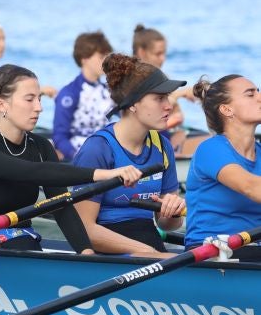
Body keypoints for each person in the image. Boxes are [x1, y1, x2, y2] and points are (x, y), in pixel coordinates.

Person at [0, 64, 142, 252]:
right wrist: (105, 174)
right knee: (23, 246)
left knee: (28, 244)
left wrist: (86, 251)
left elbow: (61, 205)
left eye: (39, 99)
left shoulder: (41, 147)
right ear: (1, 104)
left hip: (22, 240)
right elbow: (31, 172)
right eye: (30, 99)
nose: (39, 108)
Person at [72, 53, 186, 257]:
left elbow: (167, 225)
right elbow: (83, 230)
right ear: (133, 104)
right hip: (108, 252)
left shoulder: (162, 146)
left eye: (167, 97)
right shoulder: (98, 149)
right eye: (159, 98)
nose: (168, 105)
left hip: (149, 243)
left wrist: (173, 212)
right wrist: (146, 251)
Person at [185, 75, 261, 252]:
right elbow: (251, 187)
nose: (259, 97)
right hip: (211, 252)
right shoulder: (210, 149)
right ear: (227, 110)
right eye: (250, 95)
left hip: (252, 249)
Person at [132, 24, 205, 154]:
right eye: (158, 54)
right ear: (141, 52)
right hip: (148, 142)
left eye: (164, 53)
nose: (163, 59)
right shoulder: (133, 79)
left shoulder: (162, 77)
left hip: (166, 137)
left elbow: (178, 116)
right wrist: (181, 93)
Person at [52, 31, 114, 160]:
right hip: (80, 154)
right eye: (101, 56)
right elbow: (59, 136)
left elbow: (127, 117)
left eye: (107, 56)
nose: (106, 61)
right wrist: (77, 157)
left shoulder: (108, 92)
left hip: (106, 152)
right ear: (84, 58)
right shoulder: (69, 93)